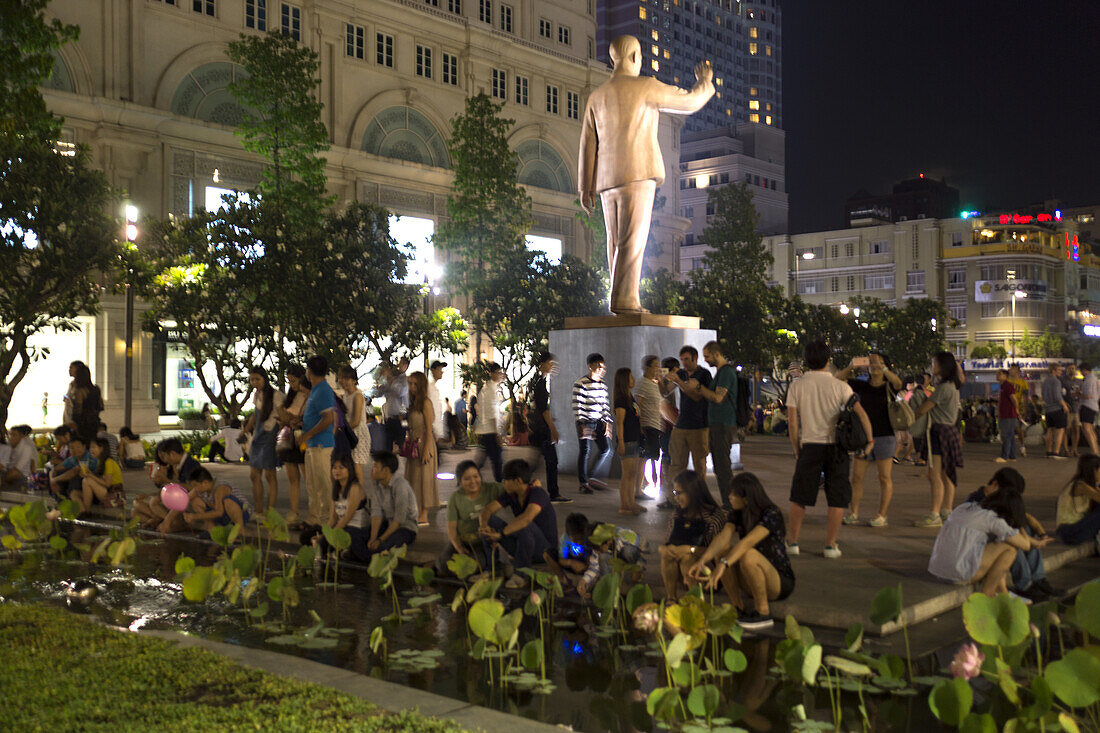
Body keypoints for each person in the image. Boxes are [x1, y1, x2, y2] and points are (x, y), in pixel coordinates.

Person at [578, 34, 714, 313]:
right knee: (633, 238)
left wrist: (585, 185)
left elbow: (587, 141)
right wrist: (705, 84)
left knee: (615, 240)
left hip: (606, 179)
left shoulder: (597, 96)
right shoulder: (646, 87)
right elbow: (688, 102)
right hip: (638, 172)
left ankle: (621, 298)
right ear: (634, 57)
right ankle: (625, 300)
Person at [786, 340, 873, 558]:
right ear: (828, 360)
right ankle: (830, 545)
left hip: (810, 446)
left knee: (800, 496)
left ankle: (793, 542)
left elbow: (792, 423)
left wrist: (797, 449)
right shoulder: (840, 386)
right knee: (837, 497)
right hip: (837, 448)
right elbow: (861, 414)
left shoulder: (797, 385)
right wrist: (870, 440)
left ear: (806, 361)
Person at [690, 472, 795, 630]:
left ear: (746, 498)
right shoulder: (737, 513)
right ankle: (737, 608)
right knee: (722, 552)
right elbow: (723, 538)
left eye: (734, 494)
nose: (729, 497)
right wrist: (702, 560)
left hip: (778, 581)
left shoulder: (771, 513)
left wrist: (723, 566)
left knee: (748, 554)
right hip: (752, 576)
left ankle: (763, 612)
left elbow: (749, 542)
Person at [928, 478, 1046, 598]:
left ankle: (1002, 590)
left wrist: (1034, 541)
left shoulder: (965, 507)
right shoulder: (993, 519)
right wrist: (1019, 524)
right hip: (957, 575)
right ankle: (989, 591)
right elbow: (1025, 545)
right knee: (1010, 548)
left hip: (938, 570)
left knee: (998, 541)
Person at [960, 468, 1059, 601]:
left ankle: (1039, 579)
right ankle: (1025, 585)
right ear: (996, 485)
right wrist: (1033, 541)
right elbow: (1007, 532)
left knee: (1025, 529)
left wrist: (1041, 533)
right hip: (979, 548)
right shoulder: (980, 501)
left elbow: (1025, 517)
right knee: (1012, 542)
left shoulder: (1000, 498)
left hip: (996, 536)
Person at [834, 353, 902, 527]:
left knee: (884, 477)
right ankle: (853, 512)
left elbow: (898, 383)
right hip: (862, 438)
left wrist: (883, 367)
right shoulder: (861, 386)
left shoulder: (889, 386)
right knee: (856, 477)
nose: (873, 365)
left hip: (886, 437)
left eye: (877, 361)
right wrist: (851, 366)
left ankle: (881, 514)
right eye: (871, 362)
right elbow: (838, 378)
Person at [478, 459, 558, 588]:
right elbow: (487, 510)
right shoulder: (512, 495)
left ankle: (521, 575)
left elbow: (526, 519)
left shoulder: (538, 494)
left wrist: (501, 534)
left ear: (518, 481)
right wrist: (484, 527)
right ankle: (492, 568)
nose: (502, 483)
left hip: (544, 551)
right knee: (491, 521)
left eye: (505, 480)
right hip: (524, 544)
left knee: (525, 524)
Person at [913, 352, 964, 528]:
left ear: (943, 366)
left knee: (934, 474)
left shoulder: (942, 388)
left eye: (934, 363)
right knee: (947, 474)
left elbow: (922, 410)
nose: (931, 366)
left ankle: (934, 513)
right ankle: (946, 511)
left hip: (938, 433)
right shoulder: (953, 386)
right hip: (950, 432)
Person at [657, 469, 725, 599]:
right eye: (675, 492)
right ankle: (671, 598)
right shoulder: (678, 513)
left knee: (687, 559)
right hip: (679, 567)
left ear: (693, 492)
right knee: (667, 556)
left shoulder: (713, 516)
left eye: (679, 493)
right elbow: (668, 541)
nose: (676, 498)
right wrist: (664, 549)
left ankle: (695, 602)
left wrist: (691, 550)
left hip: (706, 570)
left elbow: (718, 552)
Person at [691, 341, 739, 507]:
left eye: (707, 356)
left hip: (722, 424)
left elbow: (718, 398)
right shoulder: (721, 372)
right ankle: (729, 503)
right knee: (720, 466)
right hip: (718, 424)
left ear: (717, 354)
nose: (705, 360)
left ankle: (730, 504)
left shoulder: (726, 373)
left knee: (723, 467)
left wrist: (700, 387)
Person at [434, 460, 500, 576]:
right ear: (460, 481)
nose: (473, 481)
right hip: (462, 542)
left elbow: (511, 487)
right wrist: (459, 548)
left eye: (476, 476)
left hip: (482, 544)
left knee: (474, 565)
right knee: (444, 563)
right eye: (467, 478)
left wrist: (532, 485)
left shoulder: (491, 489)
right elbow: (451, 529)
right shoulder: (455, 498)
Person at [665, 346, 712, 499]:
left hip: (699, 426)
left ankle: (700, 498)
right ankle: (673, 498)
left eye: (686, 359)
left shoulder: (704, 374)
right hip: (681, 425)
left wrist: (679, 381)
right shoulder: (681, 373)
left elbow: (696, 396)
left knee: (699, 466)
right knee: (676, 465)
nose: (683, 363)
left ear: (695, 358)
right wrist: (660, 380)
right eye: (682, 359)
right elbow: (666, 391)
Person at [299, 356, 337, 529]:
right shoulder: (316, 389)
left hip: (322, 445)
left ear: (309, 371)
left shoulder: (323, 390)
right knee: (312, 484)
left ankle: (326, 519)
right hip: (313, 445)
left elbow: (328, 418)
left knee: (323, 484)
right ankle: (314, 517)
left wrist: (307, 434)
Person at [530, 352, 568, 504]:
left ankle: (520, 483)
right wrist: (553, 429)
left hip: (543, 430)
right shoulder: (540, 384)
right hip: (543, 430)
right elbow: (543, 410)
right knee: (551, 461)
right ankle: (553, 493)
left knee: (542, 461)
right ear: (542, 365)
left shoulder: (543, 382)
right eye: (551, 363)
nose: (553, 366)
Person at [365, 451, 419, 558]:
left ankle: (369, 556)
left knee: (389, 544)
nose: (372, 470)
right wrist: (373, 538)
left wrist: (380, 540)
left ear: (386, 470)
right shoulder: (377, 484)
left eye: (375, 467)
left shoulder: (400, 485)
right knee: (361, 535)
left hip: (405, 528)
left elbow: (399, 519)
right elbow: (376, 513)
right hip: (388, 523)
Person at [572, 353, 613, 494]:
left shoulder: (602, 385)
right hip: (586, 421)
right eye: (599, 366)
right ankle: (583, 483)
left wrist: (608, 421)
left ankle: (592, 477)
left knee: (606, 449)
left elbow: (605, 405)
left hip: (599, 421)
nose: (602, 369)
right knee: (585, 451)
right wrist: (581, 424)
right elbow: (577, 405)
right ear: (590, 367)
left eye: (603, 367)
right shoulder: (581, 383)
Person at [242, 366, 282, 510]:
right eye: (252, 379)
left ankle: (270, 511)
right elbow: (255, 415)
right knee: (254, 475)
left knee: (270, 475)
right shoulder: (256, 395)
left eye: (257, 379)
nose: (254, 382)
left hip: (270, 436)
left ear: (264, 378)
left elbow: (282, 415)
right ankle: (258, 509)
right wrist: (246, 429)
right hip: (257, 436)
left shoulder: (276, 395)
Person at [277, 364, 310, 528]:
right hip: (290, 438)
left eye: (294, 381)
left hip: (302, 437)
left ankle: (314, 512)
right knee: (293, 479)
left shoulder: (307, 394)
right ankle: (294, 513)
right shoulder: (289, 397)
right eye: (289, 381)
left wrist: (290, 417)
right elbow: (282, 416)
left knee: (308, 477)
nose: (292, 384)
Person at [405, 371, 438, 526]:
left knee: (424, 478)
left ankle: (424, 513)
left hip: (424, 443)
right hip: (413, 443)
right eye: (410, 383)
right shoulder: (413, 403)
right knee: (414, 478)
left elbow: (429, 429)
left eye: (415, 384)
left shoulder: (425, 403)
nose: (412, 387)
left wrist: (426, 450)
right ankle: (417, 510)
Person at [612, 367, 646, 515]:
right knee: (627, 474)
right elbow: (619, 422)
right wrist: (620, 441)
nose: (633, 380)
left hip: (634, 438)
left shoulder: (629, 397)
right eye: (631, 377)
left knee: (632, 473)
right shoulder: (621, 400)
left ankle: (631, 502)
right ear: (624, 380)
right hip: (627, 440)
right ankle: (624, 505)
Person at [335, 366, 374, 493]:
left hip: (359, 435)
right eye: (341, 378)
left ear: (354, 380)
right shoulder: (345, 395)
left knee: (357, 469)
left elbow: (356, 421)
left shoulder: (358, 395)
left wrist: (340, 429)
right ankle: (353, 496)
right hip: (349, 435)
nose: (343, 381)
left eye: (347, 378)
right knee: (349, 468)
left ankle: (360, 499)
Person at [177, 467, 252, 531]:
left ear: (205, 483)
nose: (194, 488)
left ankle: (240, 531)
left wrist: (194, 516)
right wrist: (166, 523)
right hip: (224, 517)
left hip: (242, 513)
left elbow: (219, 512)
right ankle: (212, 531)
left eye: (195, 485)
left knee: (228, 501)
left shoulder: (220, 488)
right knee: (195, 501)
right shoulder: (199, 489)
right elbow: (182, 501)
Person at [635, 355, 664, 501]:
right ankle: (639, 489)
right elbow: (638, 404)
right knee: (645, 457)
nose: (657, 369)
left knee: (652, 455)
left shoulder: (655, 384)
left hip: (656, 425)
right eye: (655, 366)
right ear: (647, 367)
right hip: (647, 425)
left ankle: (647, 485)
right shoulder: (642, 383)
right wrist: (640, 424)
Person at [1055, 453, 1100, 545]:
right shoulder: (1080, 486)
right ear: (1093, 470)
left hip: (1074, 529)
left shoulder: (1087, 484)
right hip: (1069, 532)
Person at [71, 437, 125, 513]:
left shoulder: (108, 462)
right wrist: (89, 473)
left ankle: (87, 511)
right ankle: (82, 511)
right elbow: (100, 480)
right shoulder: (100, 461)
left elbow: (108, 484)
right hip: (106, 492)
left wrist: (90, 476)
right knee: (74, 493)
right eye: (90, 448)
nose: (91, 450)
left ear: (101, 448)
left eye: (93, 447)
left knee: (87, 481)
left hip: (115, 496)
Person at [556, 512, 602, 599]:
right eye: (575, 539)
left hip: (588, 566)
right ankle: (563, 581)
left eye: (581, 539)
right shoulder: (565, 538)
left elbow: (595, 564)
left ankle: (589, 586)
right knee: (548, 554)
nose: (579, 542)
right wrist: (571, 563)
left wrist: (586, 565)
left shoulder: (590, 539)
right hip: (572, 562)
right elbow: (561, 559)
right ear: (568, 535)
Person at [656, 356, 681, 507]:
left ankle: (673, 496)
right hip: (666, 426)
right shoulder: (663, 384)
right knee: (666, 459)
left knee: (671, 461)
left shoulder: (677, 382)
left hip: (674, 425)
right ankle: (669, 496)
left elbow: (665, 394)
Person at [474, 362, 505, 482]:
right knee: (497, 461)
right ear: (491, 374)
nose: (500, 375)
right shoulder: (490, 390)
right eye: (498, 372)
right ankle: (500, 485)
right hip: (490, 431)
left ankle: (471, 475)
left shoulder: (487, 388)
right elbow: (492, 413)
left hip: (486, 430)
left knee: (487, 459)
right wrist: (498, 433)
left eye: (501, 372)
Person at [374, 359, 409, 453]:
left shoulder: (405, 380)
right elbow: (379, 392)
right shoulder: (393, 380)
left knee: (401, 446)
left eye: (401, 363)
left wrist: (390, 378)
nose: (399, 365)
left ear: (406, 366)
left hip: (402, 418)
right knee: (387, 446)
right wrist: (378, 380)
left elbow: (401, 392)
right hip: (390, 418)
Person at [49, 435, 96, 500]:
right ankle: (60, 500)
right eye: (72, 448)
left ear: (84, 447)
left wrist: (55, 480)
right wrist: (52, 479)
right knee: (58, 473)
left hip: (94, 486)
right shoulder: (73, 458)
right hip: (82, 485)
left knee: (75, 477)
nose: (75, 450)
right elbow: (55, 469)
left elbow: (75, 470)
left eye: (78, 447)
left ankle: (69, 501)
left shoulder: (89, 456)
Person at [68, 362, 103, 444]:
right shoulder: (95, 389)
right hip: (94, 423)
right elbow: (100, 406)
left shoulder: (80, 391)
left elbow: (77, 411)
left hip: (82, 425)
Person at [1041, 363, 1069, 460]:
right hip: (1057, 408)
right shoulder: (1056, 381)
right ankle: (1056, 452)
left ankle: (1048, 451)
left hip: (1048, 409)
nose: (1061, 372)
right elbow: (1058, 396)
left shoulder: (1045, 382)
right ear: (1053, 371)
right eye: (1059, 370)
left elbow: (1043, 396)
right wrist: (1064, 405)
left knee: (1050, 430)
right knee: (1060, 430)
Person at [1, 425, 38, 489]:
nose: (11, 437)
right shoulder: (7, 445)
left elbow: (16, 471)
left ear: (21, 436)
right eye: (10, 435)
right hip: (8, 473)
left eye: (14, 435)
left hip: (21, 476)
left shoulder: (27, 448)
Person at [995, 369, 1020, 463]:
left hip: (1008, 414)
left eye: (1000, 374)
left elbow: (1014, 399)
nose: (997, 375)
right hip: (1006, 414)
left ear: (1005, 376)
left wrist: (1016, 409)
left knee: (1006, 435)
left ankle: (1004, 456)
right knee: (1010, 435)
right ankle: (1012, 456)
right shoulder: (1002, 386)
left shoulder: (1007, 386)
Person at [1008, 364, 1030, 457]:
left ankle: (1022, 446)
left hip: (1018, 408)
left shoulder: (1023, 383)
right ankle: (1009, 448)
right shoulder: (1007, 382)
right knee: (1008, 429)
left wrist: (1025, 409)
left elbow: (1025, 397)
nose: (1010, 370)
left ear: (1017, 371)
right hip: (1008, 407)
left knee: (1018, 428)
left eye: (1012, 369)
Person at [1078, 362, 1099, 455]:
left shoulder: (1089, 380)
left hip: (1087, 405)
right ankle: (1095, 450)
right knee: (1090, 428)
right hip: (1093, 405)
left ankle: (1095, 451)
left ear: (1084, 370)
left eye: (1081, 371)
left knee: (1086, 428)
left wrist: (1078, 394)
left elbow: (1088, 395)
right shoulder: (1094, 379)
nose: (1081, 373)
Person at [1062, 363, 1082, 457]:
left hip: (1076, 408)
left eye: (1073, 368)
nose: (1071, 370)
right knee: (1067, 430)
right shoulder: (1062, 380)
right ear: (1066, 370)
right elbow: (1060, 394)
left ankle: (1074, 449)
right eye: (1070, 368)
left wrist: (1079, 394)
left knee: (1076, 429)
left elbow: (1081, 393)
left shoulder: (1079, 381)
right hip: (1068, 409)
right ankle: (1066, 450)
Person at [428, 360, 447, 441]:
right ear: (433, 370)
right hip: (433, 430)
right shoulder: (429, 388)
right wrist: (432, 430)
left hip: (437, 431)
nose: (441, 372)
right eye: (440, 369)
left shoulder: (434, 387)